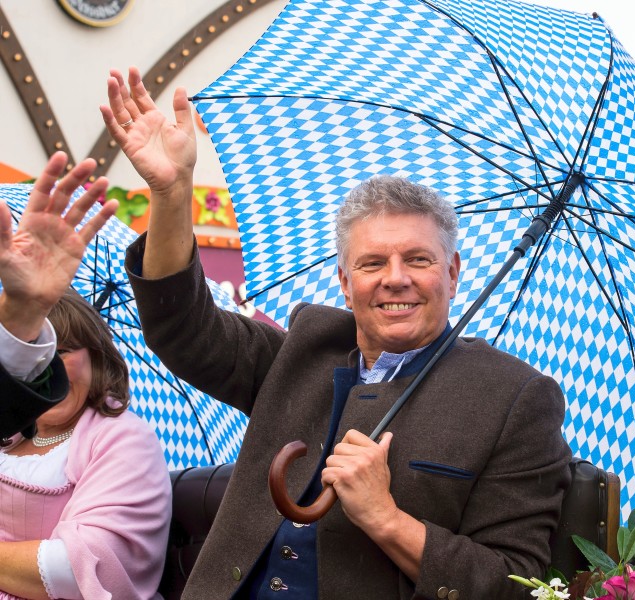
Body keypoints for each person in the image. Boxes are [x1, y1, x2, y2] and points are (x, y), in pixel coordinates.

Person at [102, 66, 572, 599]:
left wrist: (386, 518)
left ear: (454, 273)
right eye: (372, 263)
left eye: (418, 259)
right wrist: (171, 193)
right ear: (345, 283)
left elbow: (515, 584)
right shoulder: (308, 344)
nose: (396, 278)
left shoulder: (515, 399)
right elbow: (184, 331)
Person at [0, 153, 172, 600]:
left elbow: (81, 573)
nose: (46, 365)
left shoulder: (122, 439)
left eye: (64, 351)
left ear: (99, 359)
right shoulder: (8, 431)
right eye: (36, 350)